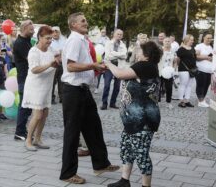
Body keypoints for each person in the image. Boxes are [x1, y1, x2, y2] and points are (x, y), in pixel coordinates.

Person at [59, 12, 119, 184]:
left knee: (93, 127)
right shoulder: (75, 39)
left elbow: (81, 65)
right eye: (82, 21)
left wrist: (95, 69)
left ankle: (100, 164)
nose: (86, 22)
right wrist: (92, 65)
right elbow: (70, 66)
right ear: (73, 25)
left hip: (83, 90)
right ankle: (68, 173)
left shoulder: (83, 40)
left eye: (86, 20)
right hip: (73, 91)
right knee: (72, 133)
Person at [106, 41, 162, 187]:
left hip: (142, 119)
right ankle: (124, 181)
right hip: (133, 118)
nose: (137, 53)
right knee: (127, 149)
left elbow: (119, 74)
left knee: (141, 154)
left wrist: (108, 63)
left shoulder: (144, 66)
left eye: (139, 51)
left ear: (146, 55)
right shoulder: (147, 66)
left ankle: (146, 185)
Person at [22, 25, 60, 151]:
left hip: (47, 86)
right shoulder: (33, 51)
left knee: (45, 114)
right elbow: (34, 69)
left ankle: (38, 139)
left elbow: (58, 58)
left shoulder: (51, 50)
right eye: (47, 38)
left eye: (51, 39)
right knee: (37, 114)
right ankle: (28, 140)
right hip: (35, 86)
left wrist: (58, 60)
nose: (50, 41)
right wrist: (50, 64)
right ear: (39, 37)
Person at [13, 20, 34, 141]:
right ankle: (19, 132)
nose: (33, 32)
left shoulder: (26, 41)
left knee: (27, 106)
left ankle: (22, 130)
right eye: (31, 30)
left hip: (27, 78)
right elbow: (31, 59)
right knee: (24, 106)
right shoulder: (20, 43)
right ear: (24, 28)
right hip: (24, 78)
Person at [101, 29, 127, 110]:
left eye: (121, 34)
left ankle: (113, 103)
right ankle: (104, 103)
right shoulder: (108, 43)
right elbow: (108, 56)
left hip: (119, 67)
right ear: (114, 35)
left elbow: (125, 56)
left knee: (117, 87)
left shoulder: (123, 45)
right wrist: (119, 55)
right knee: (107, 85)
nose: (119, 35)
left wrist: (114, 53)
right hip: (109, 66)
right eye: (118, 34)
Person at [176, 34, 196, 108]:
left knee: (189, 85)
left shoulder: (192, 48)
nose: (192, 41)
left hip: (192, 70)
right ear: (187, 40)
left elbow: (194, 58)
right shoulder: (181, 49)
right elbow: (177, 59)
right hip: (183, 69)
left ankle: (187, 100)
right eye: (191, 40)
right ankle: (181, 101)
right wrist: (178, 66)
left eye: (193, 40)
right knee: (183, 85)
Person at [195, 32, 213, 107]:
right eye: (208, 38)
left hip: (209, 70)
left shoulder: (212, 47)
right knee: (200, 85)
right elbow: (197, 56)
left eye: (210, 38)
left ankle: (202, 99)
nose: (209, 39)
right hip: (201, 69)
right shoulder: (199, 46)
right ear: (204, 38)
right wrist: (207, 57)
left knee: (206, 85)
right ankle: (200, 100)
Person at [158, 37, 177, 108]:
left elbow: (175, 62)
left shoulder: (173, 51)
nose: (167, 42)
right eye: (165, 41)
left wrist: (174, 70)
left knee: (169, 88)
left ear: (171, 42)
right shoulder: (160, 50)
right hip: (160, 71)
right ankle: (158, 101)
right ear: (163, 42)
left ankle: (168, 102)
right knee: (158, 87)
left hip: (169, 72)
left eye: (168, 41)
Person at [50, 26, 66, 104]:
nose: (55, 33)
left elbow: (65, 51)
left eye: (57, 32)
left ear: (59, 33)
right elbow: (49, 51)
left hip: (62, 63)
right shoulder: (50, 41)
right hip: (53, 64)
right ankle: (51, 98)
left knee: (61, 81)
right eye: (53, 32)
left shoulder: (63, 40)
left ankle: (62, 97)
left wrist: (60, 53)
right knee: (52, 82)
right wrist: (58, 53)